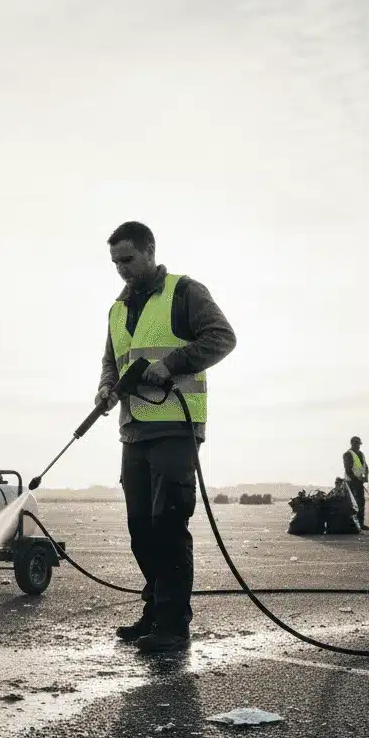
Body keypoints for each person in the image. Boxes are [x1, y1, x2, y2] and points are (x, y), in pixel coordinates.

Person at [97, 221, 237, 653]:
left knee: (168, 524)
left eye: (128, 260)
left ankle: (174, 626)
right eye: (115, 262)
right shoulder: (117, 310)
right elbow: (111, 361)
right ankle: (156, 610)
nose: (122, 269)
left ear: (149, 251)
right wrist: (105, 388)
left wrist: (173, 364)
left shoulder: (184, 292)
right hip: (134, 432)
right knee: (141, 528)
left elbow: (222, 338)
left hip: (175, 427)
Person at [342, 436, 369, 530]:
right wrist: (357, 479)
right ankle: (353, 525)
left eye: (359, 444)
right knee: (353, 504)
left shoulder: (361, 454)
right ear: (352, 444)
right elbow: (348, 470)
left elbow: (365, 466)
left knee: (361, 503)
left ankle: (360, 524)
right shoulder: (347, 454)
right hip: (351, 482)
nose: (358, 446)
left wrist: (365, 476)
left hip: (359, 483)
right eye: (357, 444)